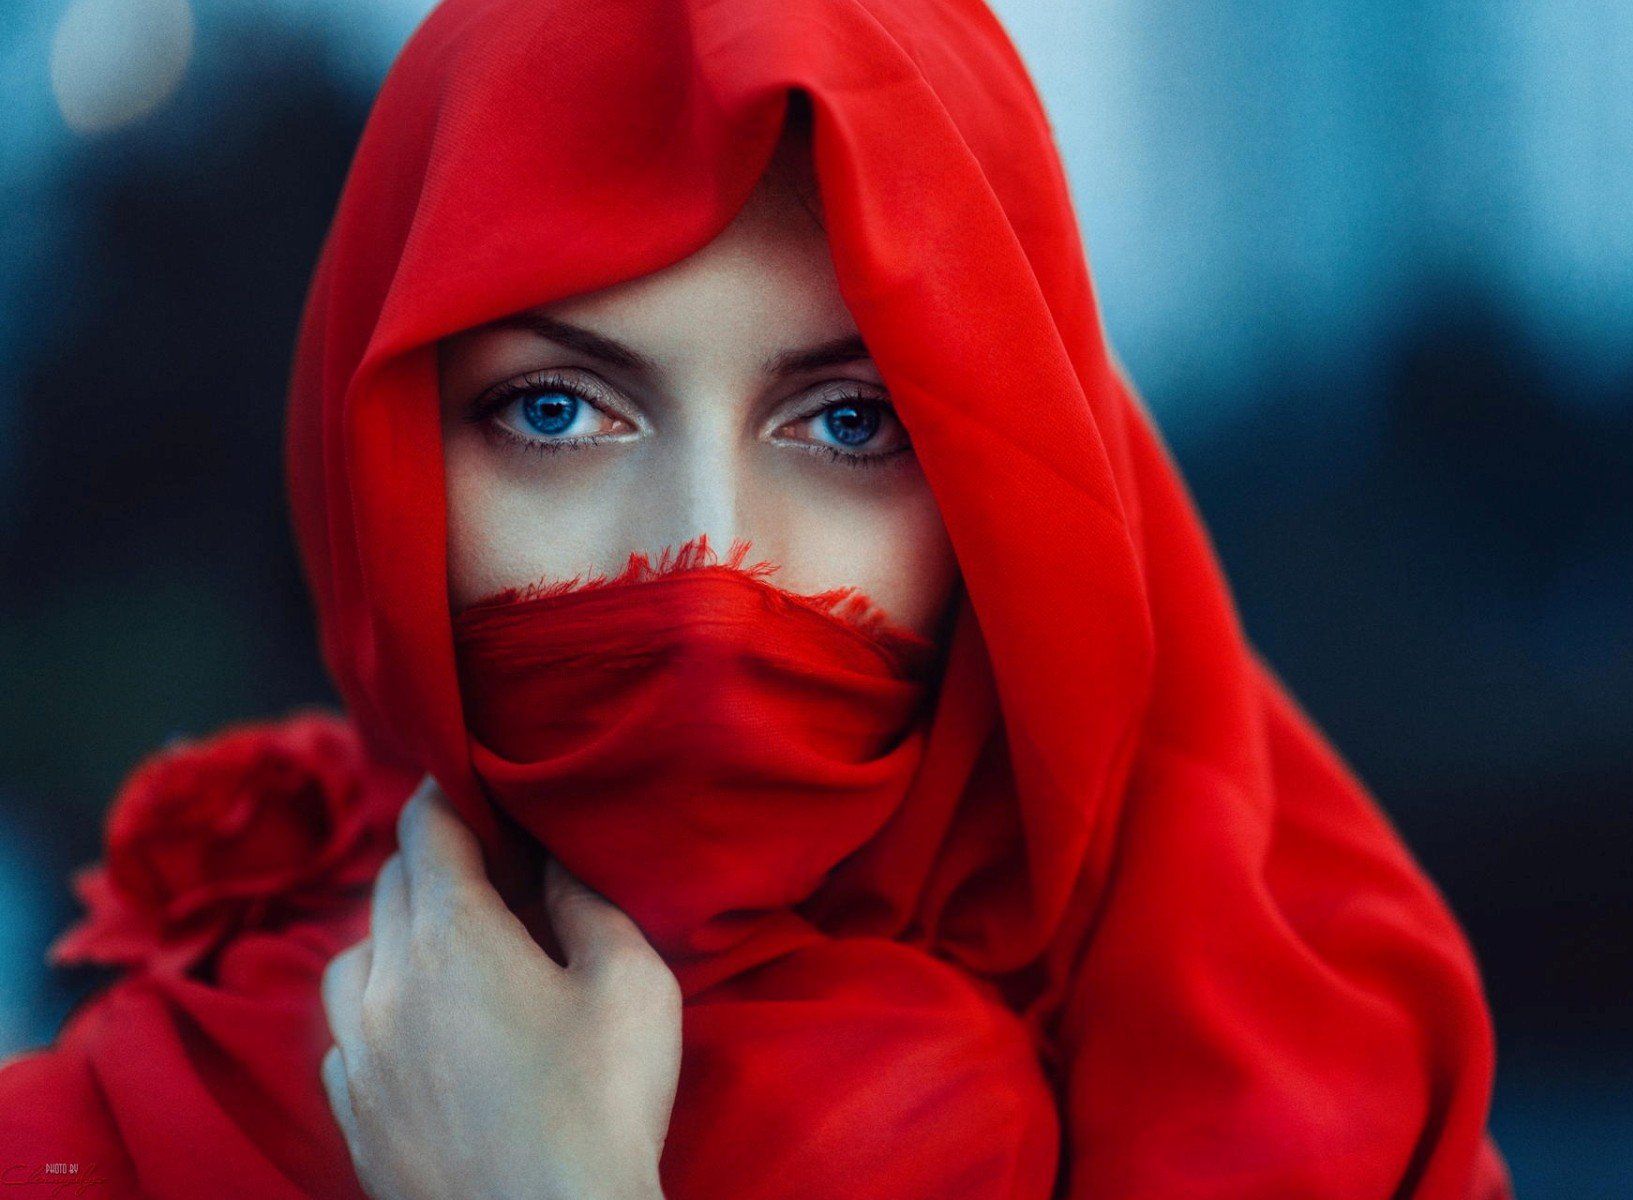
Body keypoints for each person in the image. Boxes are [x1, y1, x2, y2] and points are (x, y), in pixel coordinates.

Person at [0, 0, 1512, 1197]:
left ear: (1001, 512)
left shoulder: (1323, 1099)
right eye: (555, 413)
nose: (709, 568)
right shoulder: (107, 1137)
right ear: (379, 469)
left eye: (851, 424)